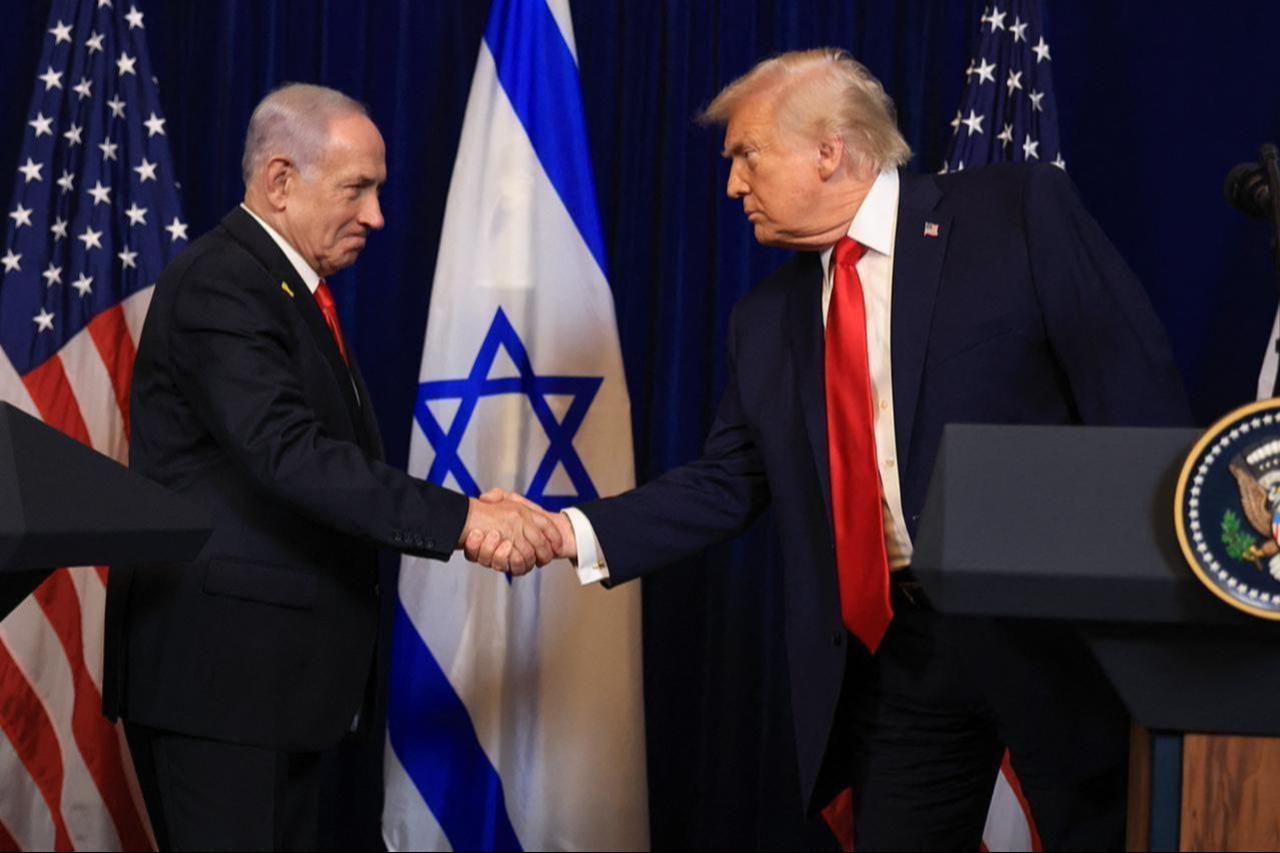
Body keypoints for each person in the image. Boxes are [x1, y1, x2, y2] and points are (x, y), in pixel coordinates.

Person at [471, 49, 1191, 850]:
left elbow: (1134, 398)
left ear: (829, 148)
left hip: (1054, 641)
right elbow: (725, 484)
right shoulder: (765, 320)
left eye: (746, 156)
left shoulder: (1014, 214)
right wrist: (567, 531)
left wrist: (1163, 612)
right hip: (900, 658)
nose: (732, 185)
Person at [102, 83, 559, 851]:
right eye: (358, 188)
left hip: (275, 688)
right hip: (222, 686)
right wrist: (466, 520)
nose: (377, 215)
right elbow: (290, 452)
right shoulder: (224, 281)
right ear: (280, 181)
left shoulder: (281, 287)